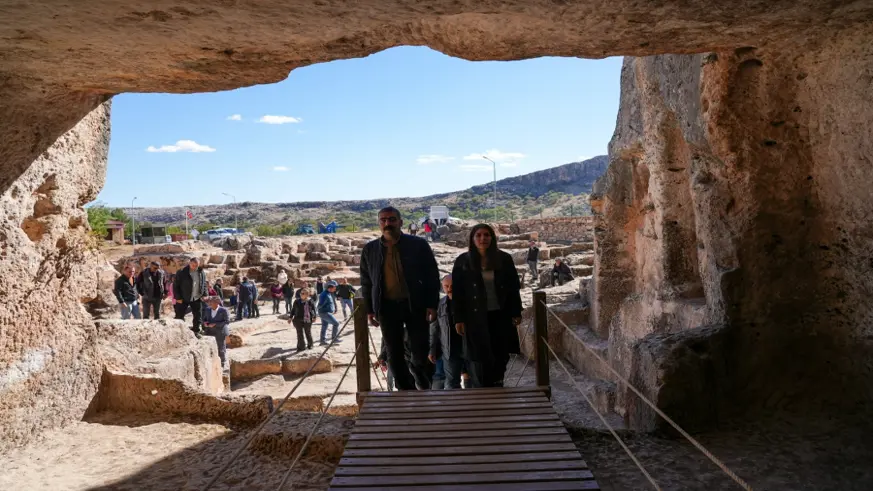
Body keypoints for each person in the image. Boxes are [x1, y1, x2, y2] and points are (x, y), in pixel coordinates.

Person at [360, 206, 440, 391]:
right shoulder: (370, 249)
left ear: (401, 222)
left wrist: (432, 304)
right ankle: (406, 391)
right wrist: (370, 309)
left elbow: (431, 275)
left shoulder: (418, 245)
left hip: (415, 304)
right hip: (387, 307)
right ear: (379, 223)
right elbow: (366, 281)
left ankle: (425, 386)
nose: (388, 223)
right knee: (393, 353)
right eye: (383, 220)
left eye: (392, 219)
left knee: (420, 351)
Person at [452, 223, 522, 388]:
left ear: (492, 238)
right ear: (472, 239)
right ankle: (483, 390)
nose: (483, 238)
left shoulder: (504, 259)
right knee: (479, 357)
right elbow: (458, 294)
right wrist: (458, 318)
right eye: (478, 235)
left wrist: (516, 312)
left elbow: (513, 288)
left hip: (500, 314)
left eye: (486, 235)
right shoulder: (463, 261)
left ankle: (497, 386)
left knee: (500, 354)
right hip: (474, 317)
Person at [428, 274, 464, 389]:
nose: (449, 289)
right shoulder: (440, 305)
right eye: (446, 286)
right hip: (449, 349)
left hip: (469, 347)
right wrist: (432, 350)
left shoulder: (469, 302)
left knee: (472, 380)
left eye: (452, 286)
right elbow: (434, 329)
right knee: (451, 383)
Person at [173, 257, 208, 337]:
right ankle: (178, 333)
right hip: (183, 297)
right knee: (179, 315)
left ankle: (196, 332)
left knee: (198, 316)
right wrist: (178, 298)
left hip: (196, 297)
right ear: (189, 263)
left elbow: (204, 284)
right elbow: (176, 286)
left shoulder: (201, 272)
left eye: (197, 265)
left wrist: (205, 294)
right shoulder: (181, 272)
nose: (195, 267)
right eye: (193, 265)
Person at [202, 296, 230, 369]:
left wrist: (216, 324)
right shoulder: (207, 309)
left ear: (217, 303)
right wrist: (205, 323)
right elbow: (204, 319)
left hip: (220, 331)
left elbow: (227, 321)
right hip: (209, 331)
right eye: (209, 302)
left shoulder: (223, 310)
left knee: (221, 348)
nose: (209, 303)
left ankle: (222, 364)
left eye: (211, 302)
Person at [317, 280, 340, 345]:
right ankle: (334, 339)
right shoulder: (324, 295)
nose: (335, 289)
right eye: (334, 288)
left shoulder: (328, 293)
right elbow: (320, 305)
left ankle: (322, 341)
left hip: (324, 312)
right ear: (330, 287)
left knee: (324, 326)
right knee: (336, 324)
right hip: (324, 313)